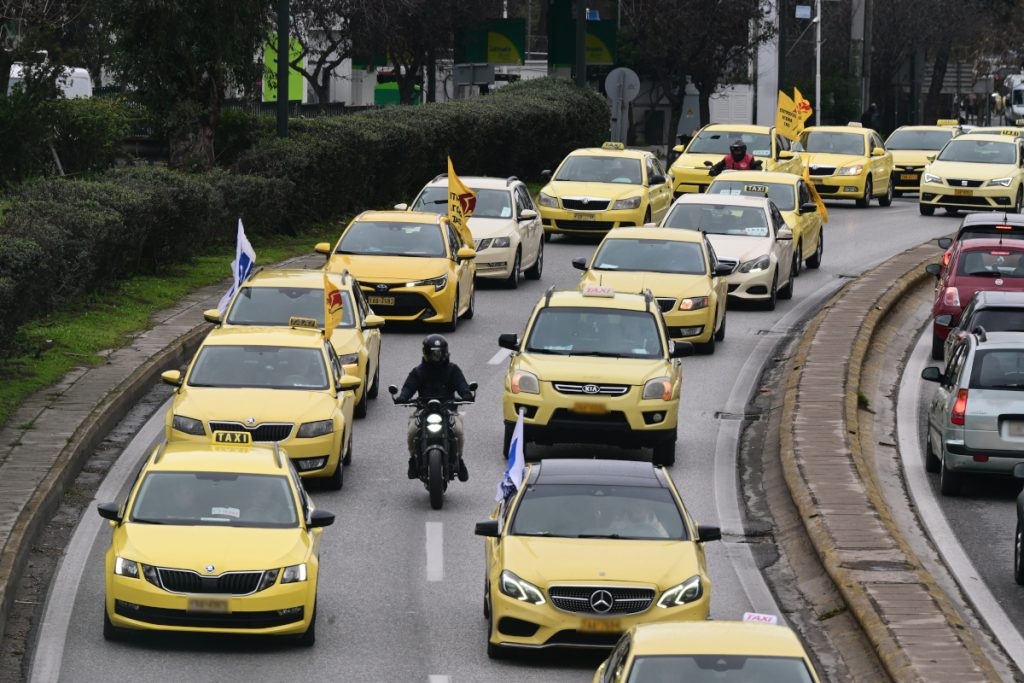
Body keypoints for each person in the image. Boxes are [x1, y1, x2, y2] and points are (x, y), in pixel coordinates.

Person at [394, 334, 474, 481]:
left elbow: (462, 385)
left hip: (448, 409)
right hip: (423, 410)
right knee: (412, 431)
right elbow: (409, 387)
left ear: (445, 353)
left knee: (458, 430)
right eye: (432, 354)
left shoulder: (453, 370)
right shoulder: (418, 371)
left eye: (438, 354)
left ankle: (459, 459)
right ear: (425, 353)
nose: (435, 357)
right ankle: (413, 460)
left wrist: (467, 394)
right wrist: (403, 396)